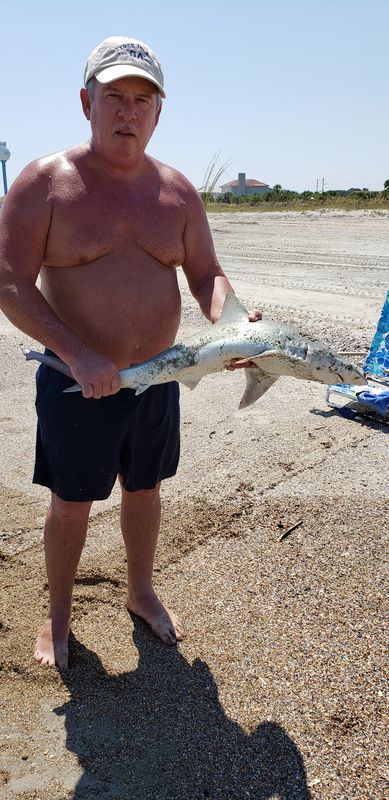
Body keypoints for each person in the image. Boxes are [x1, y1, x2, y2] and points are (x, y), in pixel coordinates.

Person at [0, 36, 260, 670]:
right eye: (113, 95)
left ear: (158, 113)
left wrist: (233, 320)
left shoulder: (177, 193)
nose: (127, 110)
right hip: (76, 379)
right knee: (73, 500)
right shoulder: (46, 183)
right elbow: (8, 280)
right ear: (86, 100)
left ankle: (140, 593)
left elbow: (205, 274)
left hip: (159, 377)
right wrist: (78, 352)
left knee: (145, 489)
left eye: (142, 99)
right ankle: (57, 620)